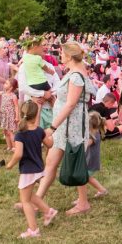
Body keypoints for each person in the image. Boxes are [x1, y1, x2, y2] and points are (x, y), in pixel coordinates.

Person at [35, 40, 94, 216]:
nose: (60, 55)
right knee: (51, 162)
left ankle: (83, 202)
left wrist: (52, 128)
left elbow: (70, 105)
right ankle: (36, 199)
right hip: (63, 126)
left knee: (76, 159)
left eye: (62, 53)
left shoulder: (76, 76)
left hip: (71, 126)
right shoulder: (72, 72)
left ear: (68, 56)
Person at [6, 100, 57, 239]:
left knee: (25, 201)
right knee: (29, 195)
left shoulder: (20, 134)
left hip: (28, 170)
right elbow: (50, 144)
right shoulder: (39, 130)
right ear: (36, 115)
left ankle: (33, 230)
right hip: (38, 168)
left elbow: (18, 154)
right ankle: (48, 211)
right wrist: (49, 134)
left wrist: (10, 164)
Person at [83, 111, 108, 199]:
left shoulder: (93, 136)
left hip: (90, 161)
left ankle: (83, 198)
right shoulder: (95, 133)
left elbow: (84, 146)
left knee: (84, 178)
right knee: (86, 178)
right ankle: (102, 190)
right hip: (89, 160)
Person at [0, 79, 20, 151]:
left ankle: (14, 147)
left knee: (10, 132)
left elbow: (16, 106)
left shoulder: (13, 96)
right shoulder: (3, 93)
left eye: (6, 83)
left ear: (11, 87)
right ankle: (9, 147)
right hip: (4, 115)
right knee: (5, 131)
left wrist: (17, 116)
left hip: (10, 116)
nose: (4, 84)